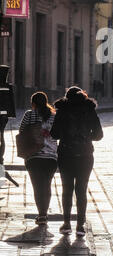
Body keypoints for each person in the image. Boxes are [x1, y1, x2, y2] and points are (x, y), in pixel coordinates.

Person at [50, 86, 103, 237]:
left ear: (67, 97)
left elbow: (54, 134)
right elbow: (99, 135)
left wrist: (66, 135)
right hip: (85, 154)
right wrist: (86, 137)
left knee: (67, 189)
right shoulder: (89, 109)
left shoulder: (62, 110)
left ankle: (66, 224)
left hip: (66, 154)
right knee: (82, 189)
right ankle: (80, 226)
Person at [19, 92, 57, 225]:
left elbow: (22, 131)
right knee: (47, 186)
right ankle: (44, 214)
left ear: (33, 103)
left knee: (37, 187)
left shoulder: (29, 114)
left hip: (33, 156)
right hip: (51, 157)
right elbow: (57, 134)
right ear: (46, 102)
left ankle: (41, 215)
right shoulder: (54, 116)